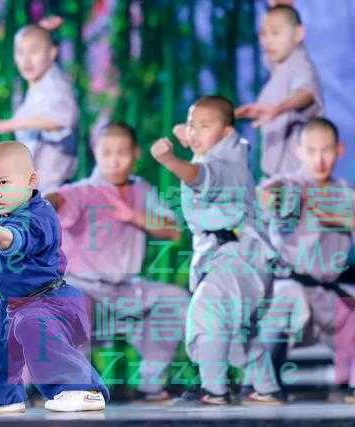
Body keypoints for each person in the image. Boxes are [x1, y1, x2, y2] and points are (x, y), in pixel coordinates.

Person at [0, 141, 109, 414]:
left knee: (30, 322)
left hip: (51, 303)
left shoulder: (38, 216)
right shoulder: (10, 203)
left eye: (2, 183)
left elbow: (10, 240)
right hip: (13, 303)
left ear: (31, 182)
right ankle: (0, 399)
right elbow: (0, 184)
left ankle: (83, 390)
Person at [45, 122, 189, 403]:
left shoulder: (142, 189)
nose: (114, 160)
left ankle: (151, 384)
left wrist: (134, 216)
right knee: (71, 302)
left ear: (136, 153)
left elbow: (173, 231)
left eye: (121, 152)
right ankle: (73, 388)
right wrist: (36, 201)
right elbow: (57, 199)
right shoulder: (83, 191)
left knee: (175, 300)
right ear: (95, 153)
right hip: (83, 289)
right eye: (106, 152)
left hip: (126, 291)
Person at [152, 96, 281, 405]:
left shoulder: (226, 165)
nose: (194, 132)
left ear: (226, 133)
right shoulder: (224, 149)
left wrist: (170, 160)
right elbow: (192, 134)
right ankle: (266, 388)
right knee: (236, 331)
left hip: (237, 259)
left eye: (205, 126)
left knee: (207, 313)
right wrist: (193, 131)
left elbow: (200, 176)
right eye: (192, 125)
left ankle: (215, 390)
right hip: (239, 260)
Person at [257, 118, 355, 402]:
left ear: (339, 150)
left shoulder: (346, 193)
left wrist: (334, 218)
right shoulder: (290, 184)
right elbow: (265, 196)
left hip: (327, 292)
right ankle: (266, 386)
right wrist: (273, 199)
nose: (319, 159)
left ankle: (349, 385)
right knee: (284, 301)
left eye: (326, 150)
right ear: (298, 151)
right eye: (311, 151)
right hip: (291, 285)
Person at [0, 25, 79, 194]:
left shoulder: (55, 85)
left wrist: (8, 125)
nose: (26, 60)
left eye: (34, 51)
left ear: (52, 52)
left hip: (53, 191)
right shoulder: (34, 85)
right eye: (20, 52)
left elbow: (62, 118)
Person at [236, 4, 323, 178]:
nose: (267, 41)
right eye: (263, 34)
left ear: (299, 34)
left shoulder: (301, 65)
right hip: (277, 176)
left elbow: (307, 93)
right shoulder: (279, 69)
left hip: (295, 177)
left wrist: (279, 109)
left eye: (275, 33)